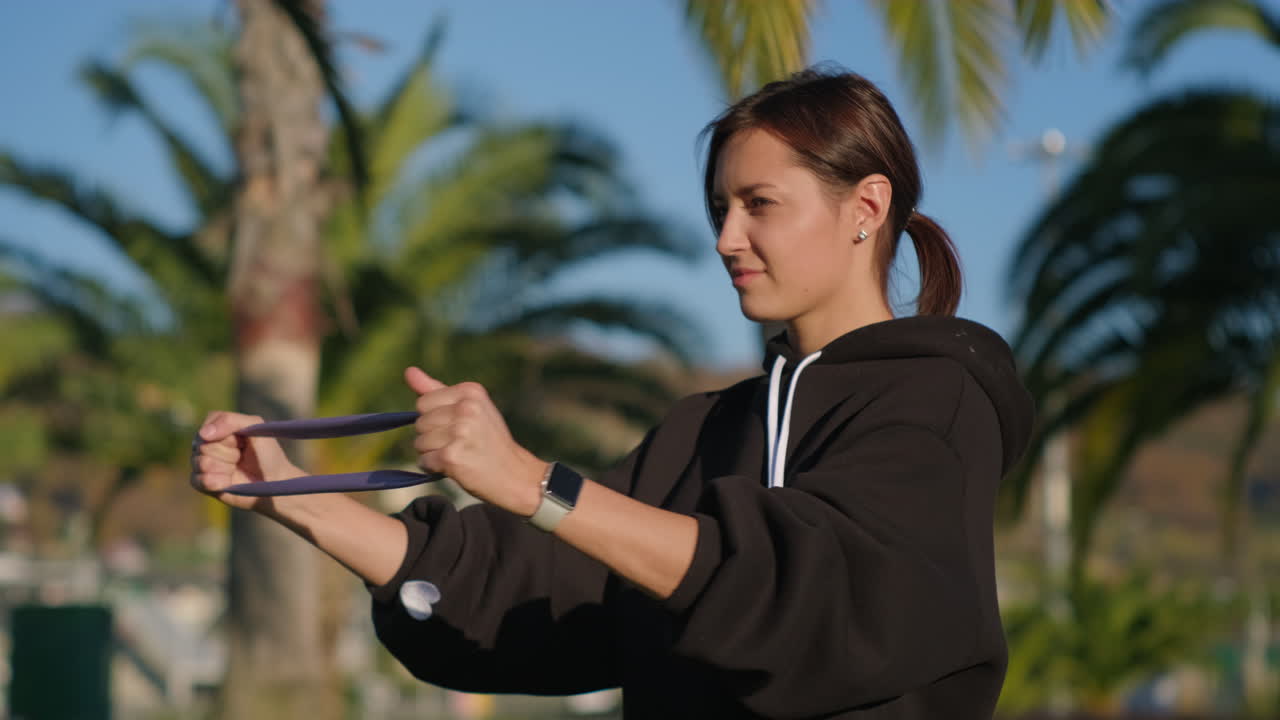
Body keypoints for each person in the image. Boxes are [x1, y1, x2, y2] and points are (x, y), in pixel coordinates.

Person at [190, 66, 1034, 719]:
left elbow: (808, 597)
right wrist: (294, 494)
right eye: (718, 208)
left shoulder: (938, 404)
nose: (727, 238)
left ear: (866, 206)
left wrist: (534, 484)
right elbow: (534, 591)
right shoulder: (704, 430)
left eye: (759, 204)